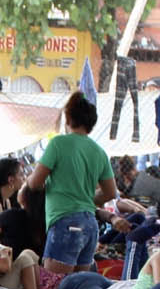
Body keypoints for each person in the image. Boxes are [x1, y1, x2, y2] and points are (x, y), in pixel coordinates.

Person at [28, 93, 115, 274]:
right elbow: (110, 193)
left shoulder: (58, 143)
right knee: (79, 288)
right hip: (90, 225)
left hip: (65, 223)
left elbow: (35, 183)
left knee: (55, 287)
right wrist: (86, 199)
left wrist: (29, 181)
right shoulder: (99, 152)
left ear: (68, 118)